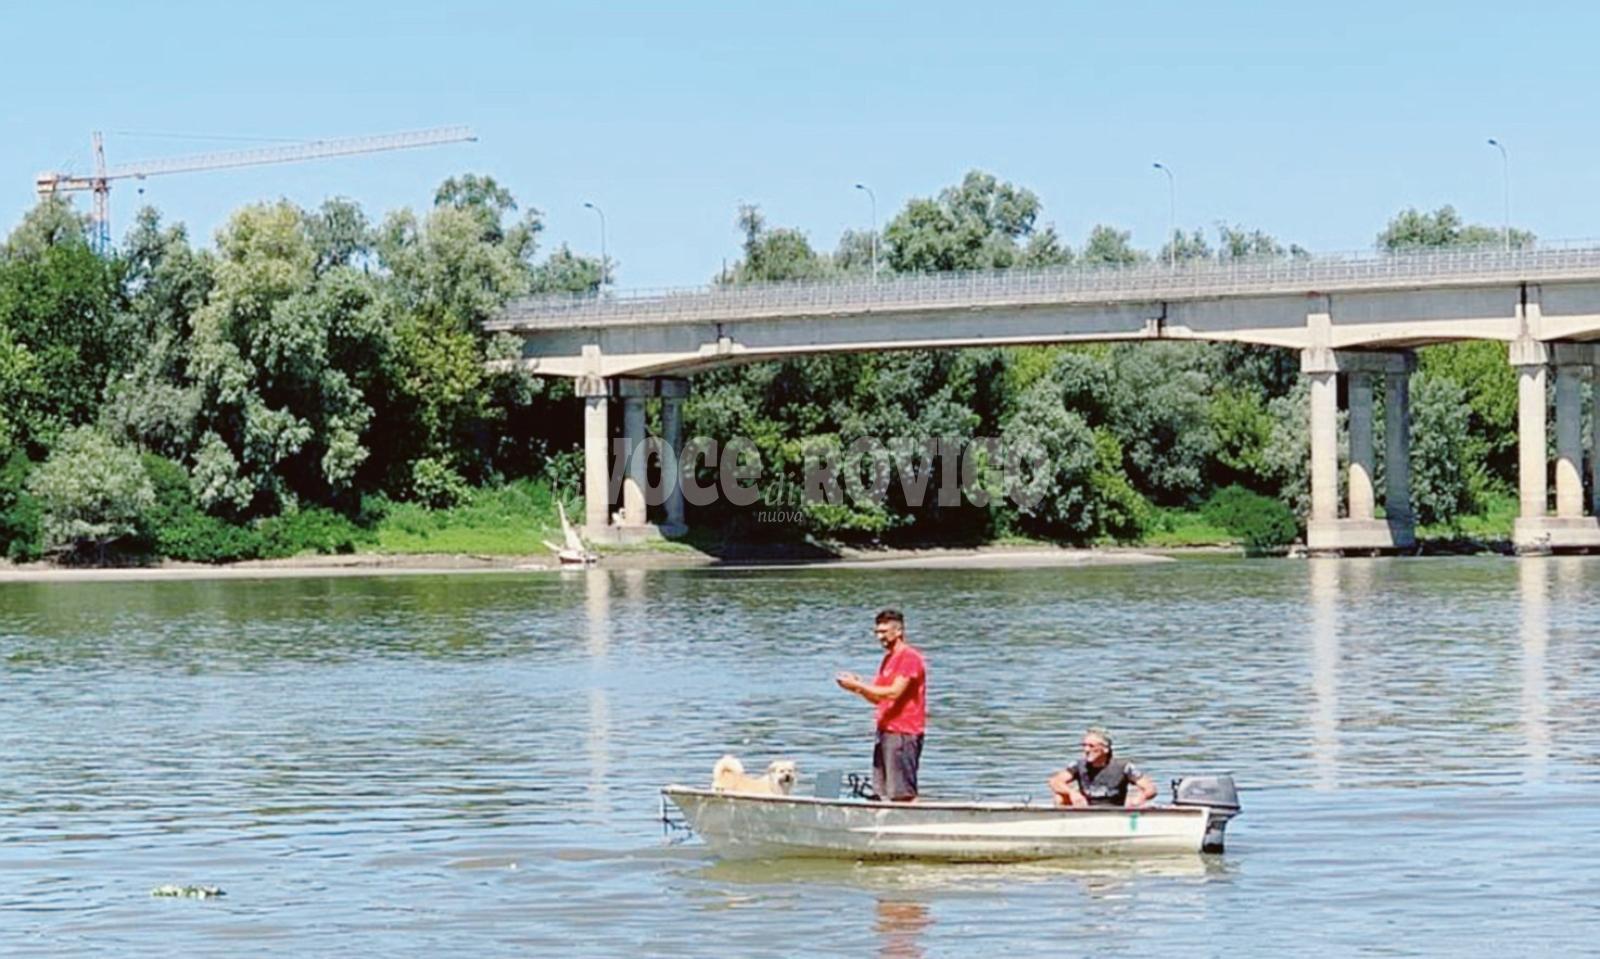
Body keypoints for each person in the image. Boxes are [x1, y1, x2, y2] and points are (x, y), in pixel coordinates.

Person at [835, 608, 927, 802]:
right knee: (882, 792)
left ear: (898, 631)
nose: (879, 637)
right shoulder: (888, 659)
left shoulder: (909, 657)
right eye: (877, 632)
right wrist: (857, 687)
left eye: (884, 632)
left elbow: (894, 692)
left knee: (902, 793)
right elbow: (878, 698)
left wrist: (860, 685)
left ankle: (913, 818)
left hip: (903, 732)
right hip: (885, 731)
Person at [1047, 727, 1156, 808]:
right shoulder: (1078, 766)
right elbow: (1055, 781)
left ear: (1105, 749)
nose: (1086, 750)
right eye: (1084, 746)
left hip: (1115, 810)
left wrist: (1140, 797)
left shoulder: (1123, 767)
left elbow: (1150, 788)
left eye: (1091, 746)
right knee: (1060, 796)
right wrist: (1072, 793)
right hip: (1085, 809)